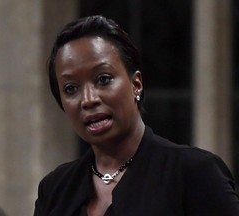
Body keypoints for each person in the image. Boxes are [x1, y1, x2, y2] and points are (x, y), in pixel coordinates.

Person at [34, 15, 239, 216]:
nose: (88, 99)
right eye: (71, 89)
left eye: (103, 79)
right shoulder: (55, 189)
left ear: (136, 85)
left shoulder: (194, 172)